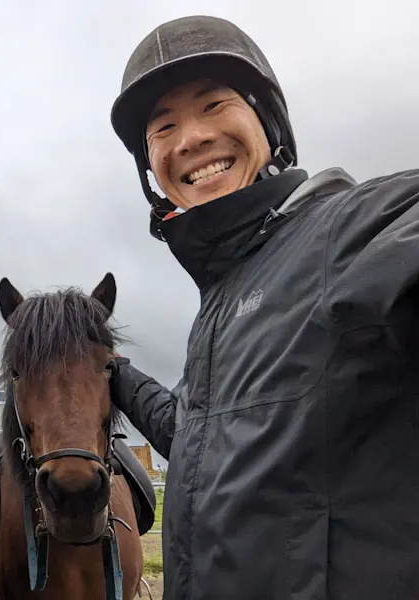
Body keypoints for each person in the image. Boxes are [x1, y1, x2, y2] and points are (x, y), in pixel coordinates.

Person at [108, 14, 419, 600]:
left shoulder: (355, 230)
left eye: (214, 106)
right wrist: (117, 373)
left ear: (268, 121)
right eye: (163, 126)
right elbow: (202, 440)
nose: (190, 139)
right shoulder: (218, 307)